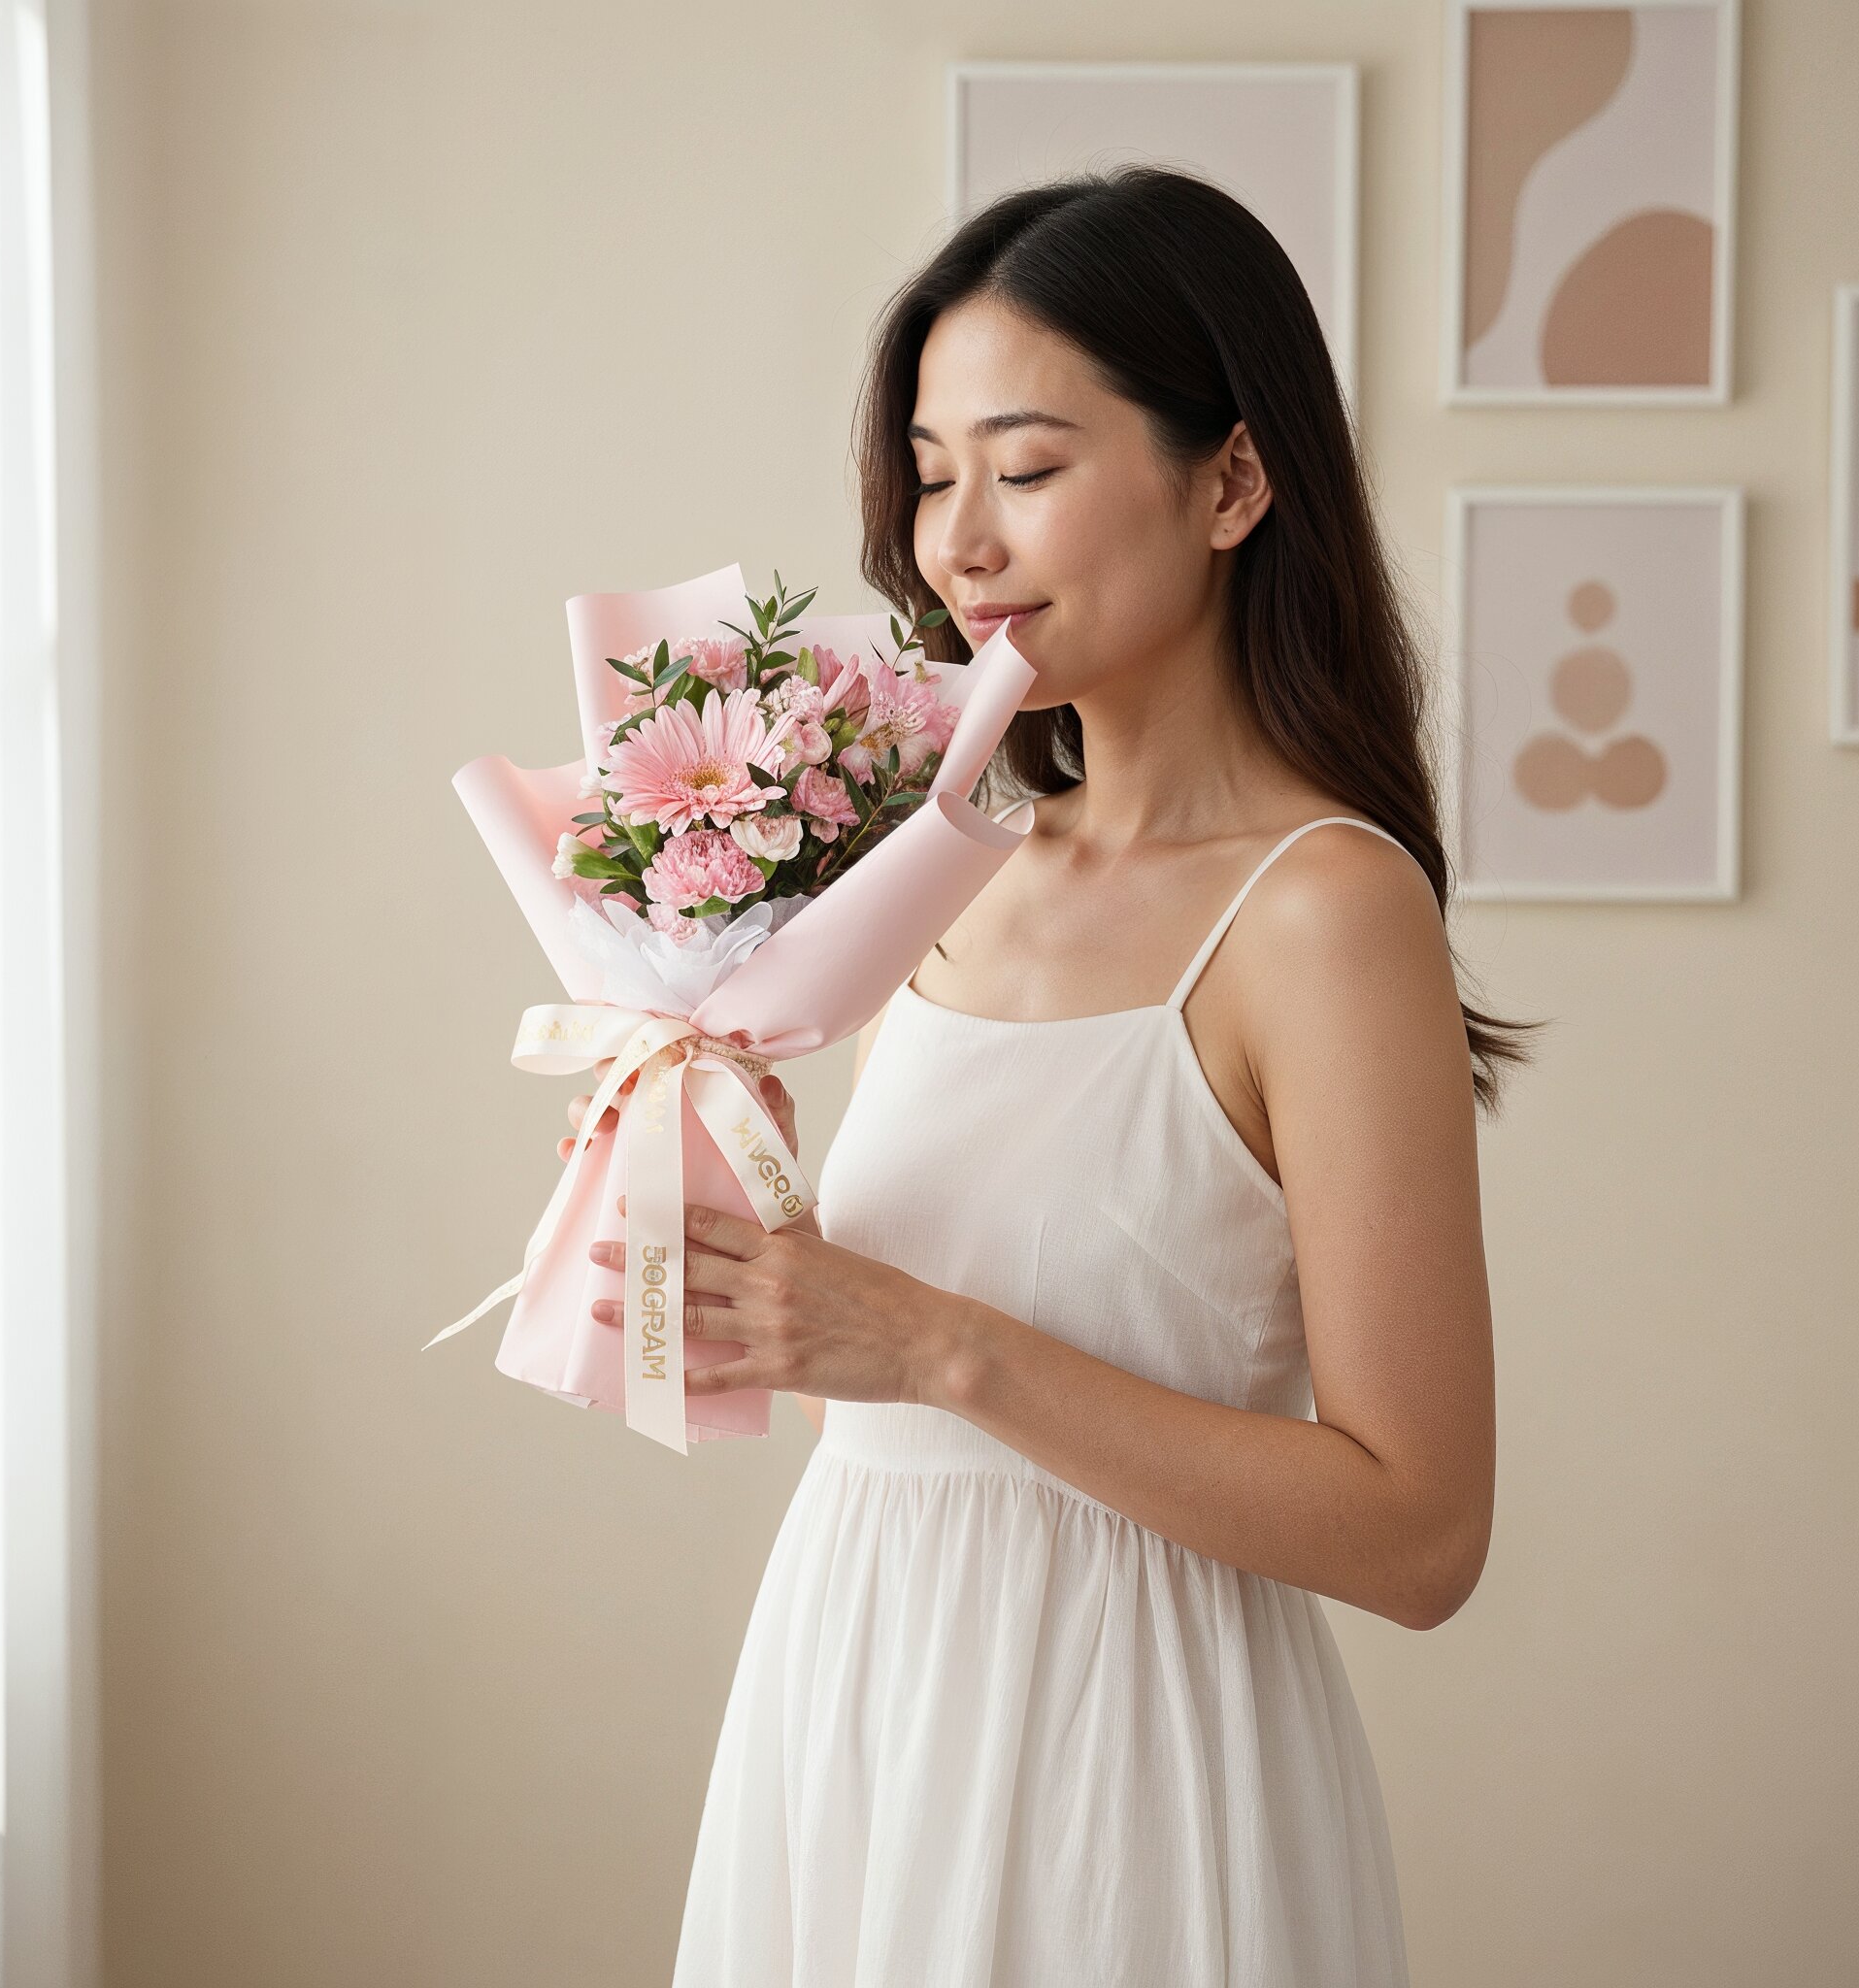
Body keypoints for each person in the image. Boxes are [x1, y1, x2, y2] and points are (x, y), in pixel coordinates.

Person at [564, 166, 1533, 1986]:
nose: (959, 545)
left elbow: (1423, 1531)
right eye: (931, 477)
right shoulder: (953, 863)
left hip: (1129, 1764)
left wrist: (933, 1345)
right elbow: (880, 1315)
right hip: (859, 1699)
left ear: (1233, 482)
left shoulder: (1322, 911)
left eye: (1024, 469)